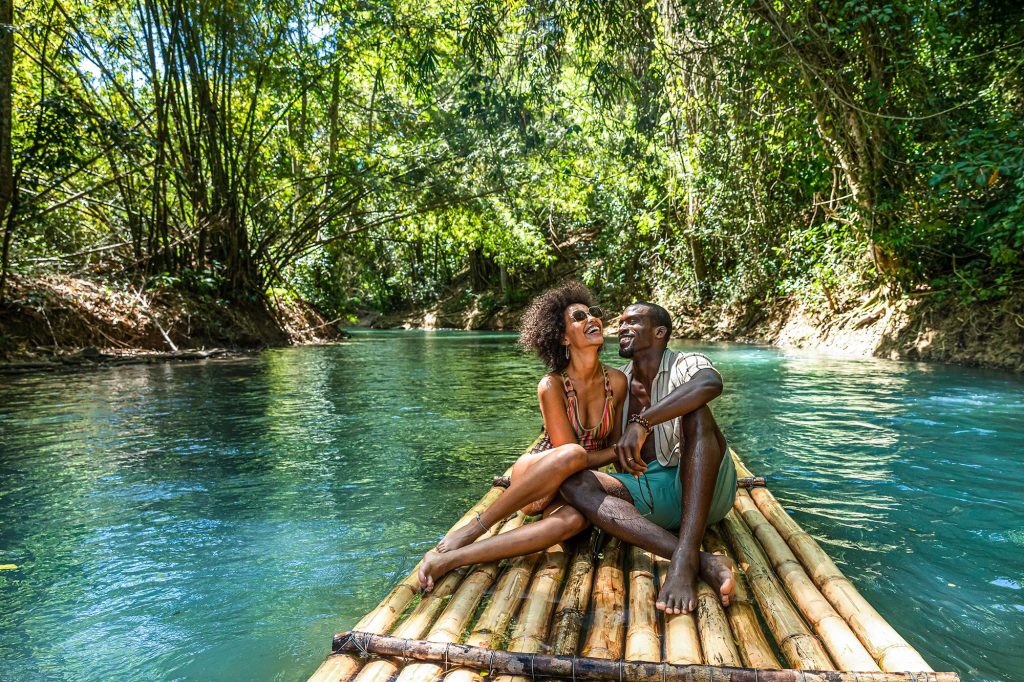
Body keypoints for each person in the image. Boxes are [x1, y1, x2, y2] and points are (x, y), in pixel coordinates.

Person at [418, 281, 627, 591]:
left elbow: (619, 449)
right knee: (573, 454)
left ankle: (453, 559)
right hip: (537, 480)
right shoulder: (552, 385)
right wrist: (614, 454)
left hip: (578, 484)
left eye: (593, 313)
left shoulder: (618, 382)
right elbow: (577, 452)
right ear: (562, 337)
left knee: (575, 521)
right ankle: (473, 529)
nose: (592, 319)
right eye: (579, 317)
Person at [560, 302, 737, 615]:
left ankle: (683, 562)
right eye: (622, 322)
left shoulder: (686, 362)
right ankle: (700, 559)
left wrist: (643, 422)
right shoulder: (617, 382)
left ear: (659, 333)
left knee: (697, 412)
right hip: (654, 492)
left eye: (634, 322)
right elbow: (600, 448)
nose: (622, 328)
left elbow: (710, 383)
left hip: (706, 491)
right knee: (574, 484)